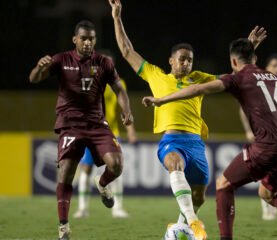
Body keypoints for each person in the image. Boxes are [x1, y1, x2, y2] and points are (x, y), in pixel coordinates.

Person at [107, 1, 266, 239]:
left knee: (199, 196)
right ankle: (193, 222)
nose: (186, 63)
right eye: (182, 59)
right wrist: (117, 18)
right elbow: (127, 51)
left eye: (189, 60)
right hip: (171, 140)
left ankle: (180, 227)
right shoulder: (156, 75)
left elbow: (235, 76)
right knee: (174, 163)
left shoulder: (200, 78)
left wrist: (248, 47)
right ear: (171, 61)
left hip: (196, 144)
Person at [142, 38, 277, 240]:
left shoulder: (238, 78)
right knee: (268, 193)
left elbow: (198, 89)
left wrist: (161, 100)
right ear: (255, 58)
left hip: (268, 145)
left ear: (233, 62)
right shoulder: (276, 78)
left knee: (223, 185)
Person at [29, 20, 134, 240]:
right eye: (83, 38)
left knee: (117, 165)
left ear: (95, 40)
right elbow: (34, 79)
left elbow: (119, 89)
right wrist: (40, 67)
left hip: (97, 124)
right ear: (75, 39)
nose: (87, 42)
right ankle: (64, 226)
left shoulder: (104, 62)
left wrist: (127, 111)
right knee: (66, 171)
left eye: (91, 38)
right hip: (70, 124)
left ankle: (102, 183)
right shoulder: (61, 59)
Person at [73, 51, 137, 219]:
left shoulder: (119, 83)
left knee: (116, 169)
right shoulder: (89, 82)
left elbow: (124, 108)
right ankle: (82, 208)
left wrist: (130, 129)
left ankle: (118, 208)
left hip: (111, 131)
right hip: (90, 131)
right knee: (85, 169)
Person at [239, 54, 277, 220]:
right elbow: (243, 108)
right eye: (275, 65)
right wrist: (249, 130)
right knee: (268, 166)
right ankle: (267, 201)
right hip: (265, 133)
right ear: (267, 68)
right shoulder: (259, 82)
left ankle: (269, 198)